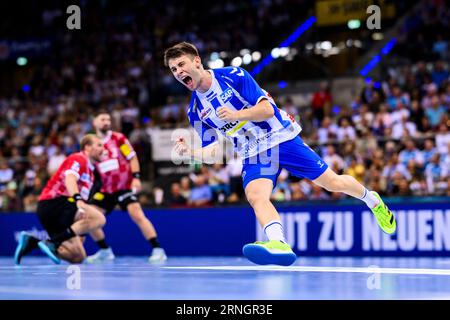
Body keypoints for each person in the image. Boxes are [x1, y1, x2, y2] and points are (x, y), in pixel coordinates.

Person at [165, 42, 396, 266]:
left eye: (181, 64)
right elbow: (213, 152)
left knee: (332, 182)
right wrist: (191, 152)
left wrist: (236, 114)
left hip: (280, 136)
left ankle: (372, 200)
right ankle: (279, 243)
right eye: (174, 69)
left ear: (197, 61)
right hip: (253, 151)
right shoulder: (195, 110)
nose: (178, 72)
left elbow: (267, 109)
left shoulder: (233, 75)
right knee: (256, 196)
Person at [86, 110, 167, 263]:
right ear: (94, 123)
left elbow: (132, 157)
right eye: (102, 119)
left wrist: (136, 177)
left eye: (108, 119)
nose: (106, 122)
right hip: (106, 189)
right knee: (90, 217)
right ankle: (104, 251)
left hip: (124, 185)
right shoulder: (93, 144)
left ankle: (158, 249)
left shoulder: (118, 139)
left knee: (137, 214)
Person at [14, 134, 106, 265]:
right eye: (99, 145)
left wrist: (80, 232)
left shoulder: (91, 174)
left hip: (65, 210)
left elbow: (81, 218)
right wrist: (78, 199)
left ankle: (33, 243)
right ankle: (53, 242)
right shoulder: (79, 158)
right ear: (87, 147)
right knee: (99, 218)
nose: (103, 148)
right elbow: (70, 179)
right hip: (54, 203)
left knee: (78, 256)